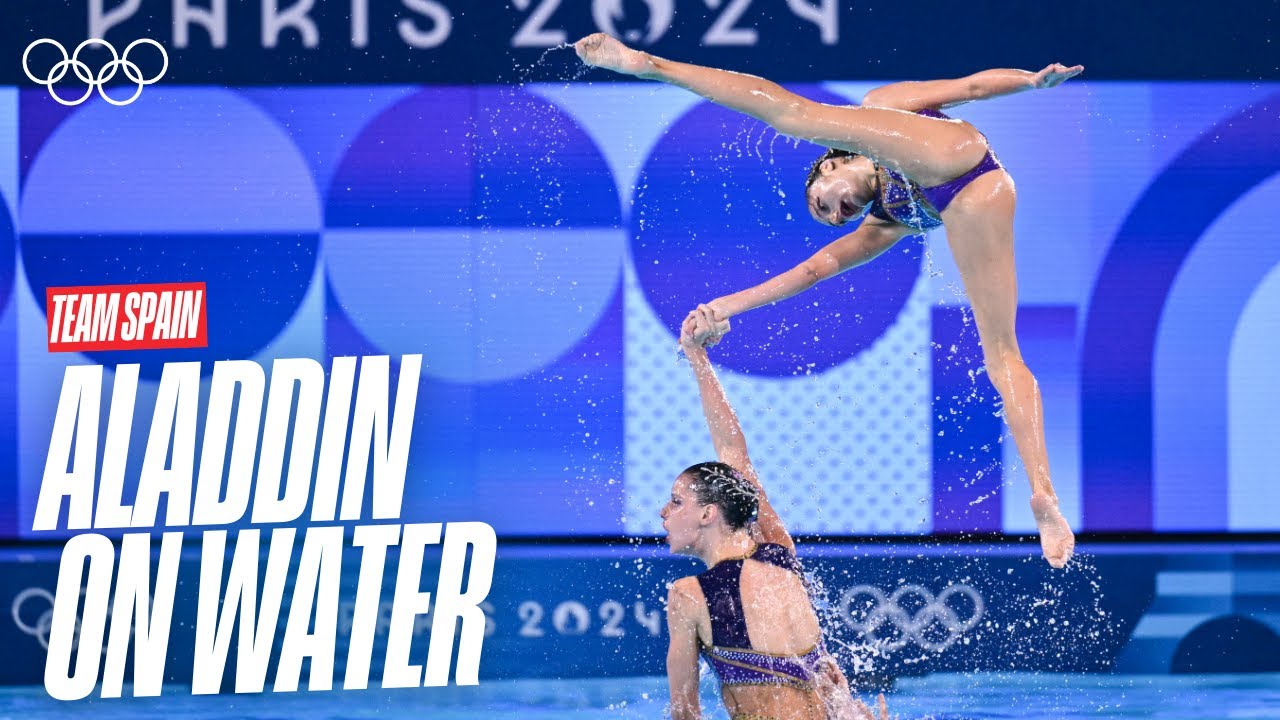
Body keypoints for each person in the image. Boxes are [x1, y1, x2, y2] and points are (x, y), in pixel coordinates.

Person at [576, 33, 1079, 568]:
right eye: (835, 219)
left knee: (792, 115)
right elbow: (814, 269)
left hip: (958, 154)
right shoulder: (888, 220)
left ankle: (648, 64)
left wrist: (1030, 81)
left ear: (830, 164)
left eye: (825, 202)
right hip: (980, 198)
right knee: (1001, 354)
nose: (840, 215)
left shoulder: (883, 108)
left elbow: (971, 86)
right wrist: (731, 305)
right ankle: (1044, 494)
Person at [662, 308, 889, 720]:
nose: (663, 512)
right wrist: (698, 358)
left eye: (677, 502)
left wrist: (696, 356)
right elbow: (736, 458)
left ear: (708, 513)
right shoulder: (780, 554)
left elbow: (684, 714)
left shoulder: (688, 596)